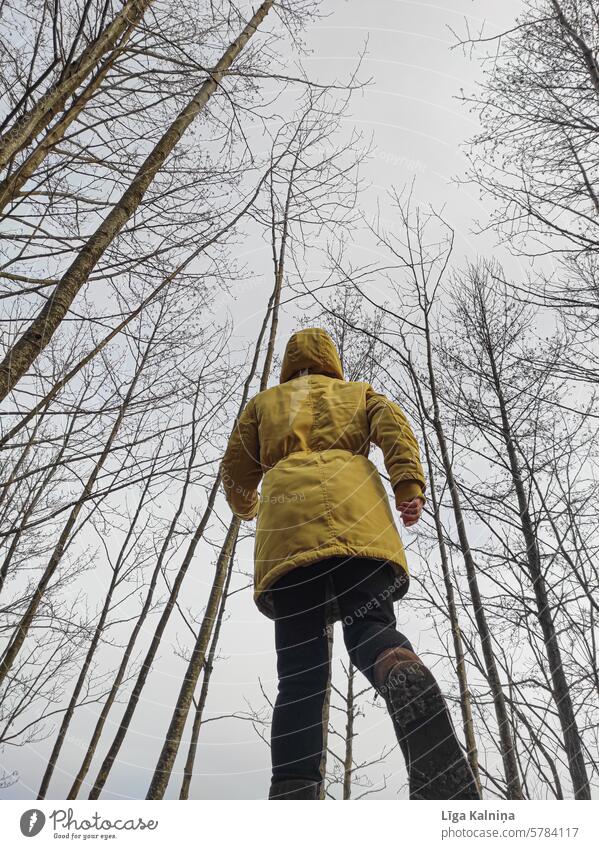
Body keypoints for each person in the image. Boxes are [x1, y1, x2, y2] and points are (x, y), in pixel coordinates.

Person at [220, 327, 480, 800]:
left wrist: (249, 506)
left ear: (289, 363)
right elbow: (395, 428)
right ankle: (399, 668)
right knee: (372, 628)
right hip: (359, 524)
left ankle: (294, 793)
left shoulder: (264, 404)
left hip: (289, 536)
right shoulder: (358, 393)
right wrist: (408, 486)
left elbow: (236, 470)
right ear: (331, 360)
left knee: (300, 671)